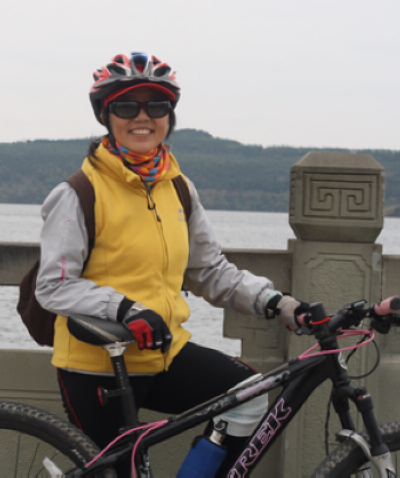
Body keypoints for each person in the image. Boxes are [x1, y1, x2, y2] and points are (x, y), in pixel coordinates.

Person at [35, 52, 307, 477]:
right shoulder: (79, 192)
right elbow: (53, 285)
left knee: (250, 395)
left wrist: (276, 302)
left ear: (169, 115)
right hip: (97, 366)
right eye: (127, 106)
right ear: (105, 115)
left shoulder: (178, 188)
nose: (143, 117)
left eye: (157, 106)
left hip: (165, 354)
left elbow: (209, 270)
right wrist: (125, 309)